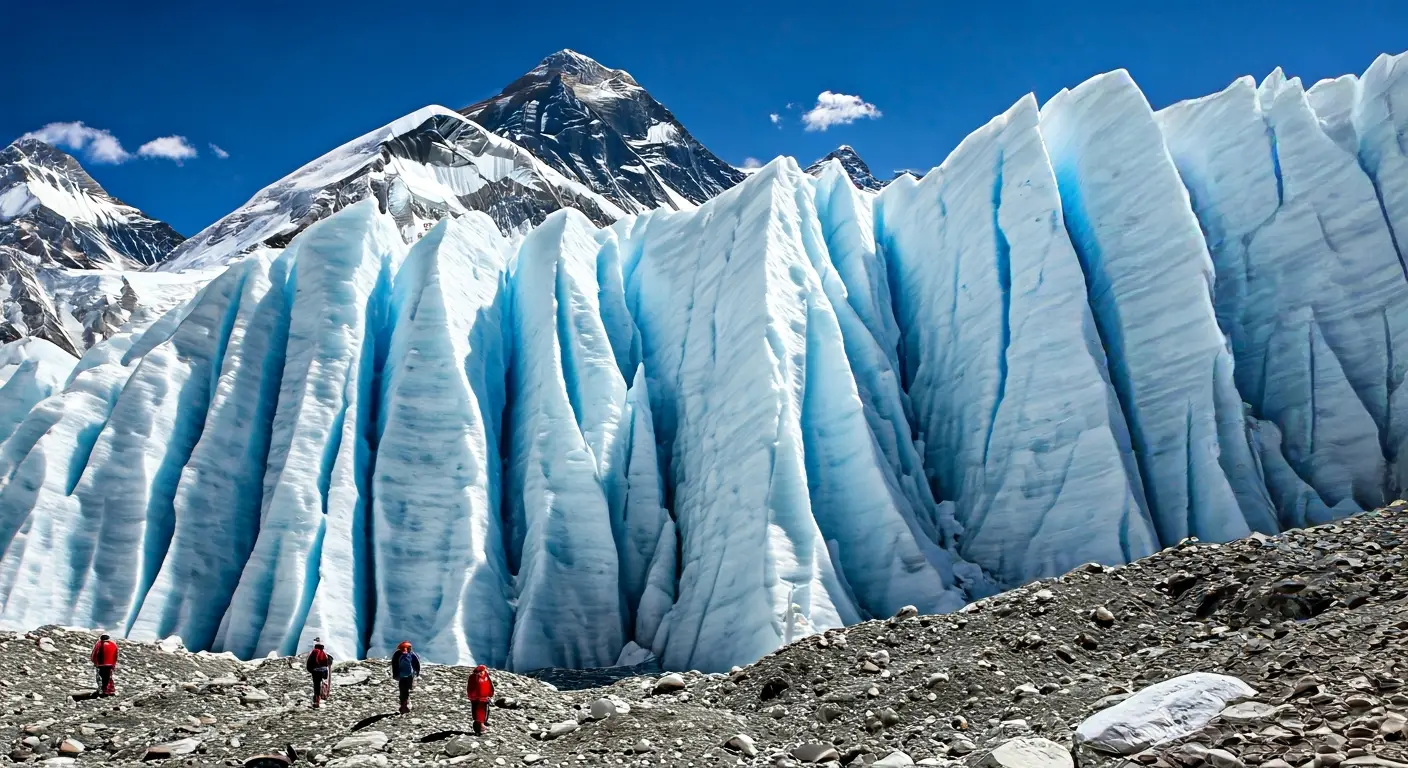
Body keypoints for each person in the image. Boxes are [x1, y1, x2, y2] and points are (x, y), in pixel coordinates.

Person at [389, 641, 421, 713]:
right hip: (410, 675)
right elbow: (417, 664)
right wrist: (417, 673)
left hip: (401, 676)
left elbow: (394, 665)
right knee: (407, 688)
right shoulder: (412, 654)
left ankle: (403, 703)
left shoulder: (397, 654)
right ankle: (406, 703)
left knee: (403, 689)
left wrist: (395, 675)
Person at [466, 664, 495, 734]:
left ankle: (482, 725)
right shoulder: (473, 677)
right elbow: (470, 688)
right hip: (477, 699)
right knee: (478, 714)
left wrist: (491, 693)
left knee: (484, 712)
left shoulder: (486, 676)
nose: (481, 673)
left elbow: (489, 685)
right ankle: (479, 728)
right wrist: (473, 697)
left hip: (485, 698)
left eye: (482, 671)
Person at [306, 638, 333, 709]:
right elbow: (329, 662)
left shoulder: (315, 651)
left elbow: (310, 662)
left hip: (316, 671)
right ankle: (324, 694)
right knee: (323, 683)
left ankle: (317, 702)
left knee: (316, 686)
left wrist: (311, 670)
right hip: (324, 671)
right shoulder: (324, 653)